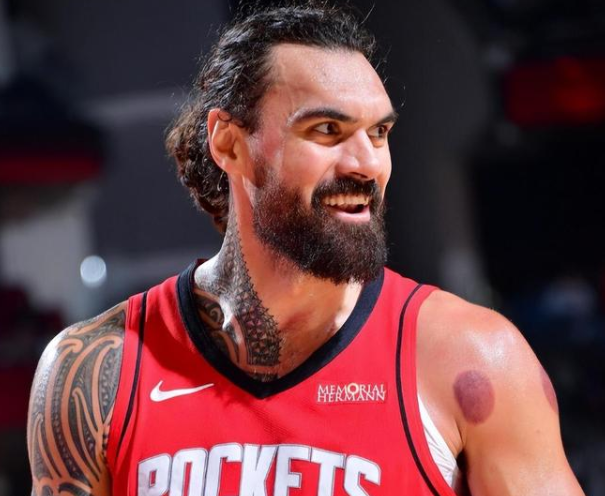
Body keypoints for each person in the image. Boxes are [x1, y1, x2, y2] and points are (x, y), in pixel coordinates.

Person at [27, 3, 585, 495]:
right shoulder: (96, 372)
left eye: (379, 134)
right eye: (326, 131)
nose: (365, 164)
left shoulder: (472, 358)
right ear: (230, 144)